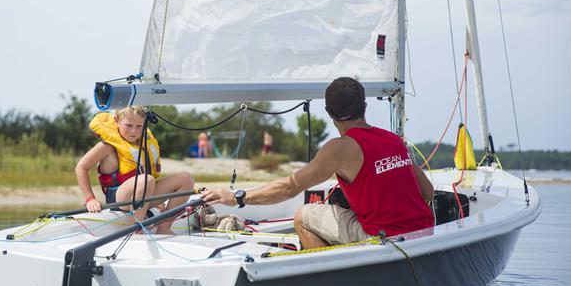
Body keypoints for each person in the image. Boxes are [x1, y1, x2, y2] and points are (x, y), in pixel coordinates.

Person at [202, 77, 434, 249]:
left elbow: (290, 187)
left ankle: (330, 278)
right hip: (425, 233)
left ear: (329, 113)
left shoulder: (340, 147)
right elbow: (427, 192)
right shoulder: (393, 139)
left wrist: (235, 197)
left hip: (384, 239)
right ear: (364, 107)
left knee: (303, 215)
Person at [75, 106, 194, 234]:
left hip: (144, 190)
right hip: (119, 197)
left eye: (139, 126)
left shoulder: (143, 143)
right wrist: (90, 199)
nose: (134, 131)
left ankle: (163, 229)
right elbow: (81, 167)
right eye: (128, 125)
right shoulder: (106, 147)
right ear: (116, 120)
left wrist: (153, 197)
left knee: (186, 178)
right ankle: (135, 231)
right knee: (146, 180)